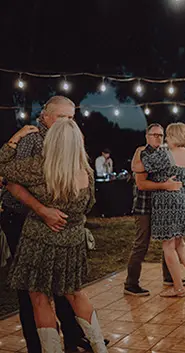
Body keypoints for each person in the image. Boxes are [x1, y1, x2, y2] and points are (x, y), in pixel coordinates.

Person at [0, 96, 107, 352]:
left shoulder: (39, 167)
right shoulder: (86, 170)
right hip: (57, 232)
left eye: (71, 118)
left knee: (43, 297)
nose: (67, 121)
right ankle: (94, 346)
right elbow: (89, 203)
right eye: (63, 117)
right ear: (46, 116)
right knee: (70, 293)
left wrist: (11, 141)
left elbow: (5, 169)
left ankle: (66, 342)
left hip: (38, 236)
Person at [136, 123, 185, 297]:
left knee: (168, 245)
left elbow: (139, 167)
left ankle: (178, 288)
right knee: (180, 242)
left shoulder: (165, 156)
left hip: (167, 205)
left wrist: (139, 152)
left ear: (172, 137)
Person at [124, 123, 183, 296]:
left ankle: (169, 277)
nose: (158, 138)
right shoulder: (142, 153)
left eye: (160, 135)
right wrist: (165, 185)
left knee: (168, 241)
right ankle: (130, 283)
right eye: (154, 135)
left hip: (162, 207)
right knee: (141, 244)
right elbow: (141, 184)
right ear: (147, 136)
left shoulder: (163, 154)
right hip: (145, 207)